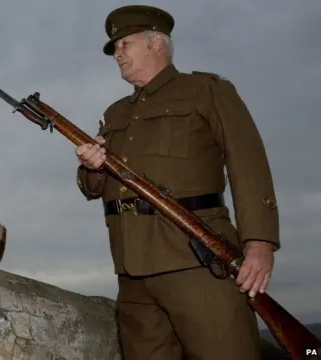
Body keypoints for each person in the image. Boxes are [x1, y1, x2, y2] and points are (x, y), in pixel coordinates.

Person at [75, 5, 280, 360]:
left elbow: (249, 163)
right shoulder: (115, 113)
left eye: (125, 43)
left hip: (197, 260)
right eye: (115, 47)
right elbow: (94, 188)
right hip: (131, 270)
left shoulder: (206, 90)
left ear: (156, 43)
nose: (117, 53)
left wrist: (259, 242)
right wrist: (92, 167)